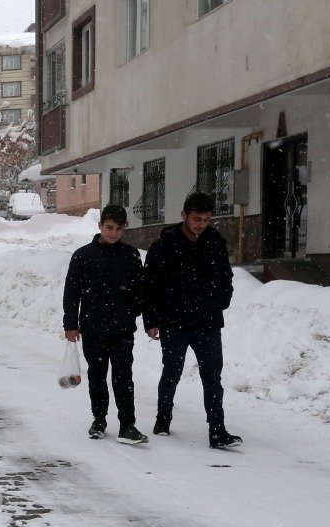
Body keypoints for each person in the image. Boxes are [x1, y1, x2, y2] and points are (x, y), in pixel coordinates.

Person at [144, 192, 241, 449]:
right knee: (172, 372)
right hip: (174, 322)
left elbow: (225, 278)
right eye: (197, 218)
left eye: (206, 220)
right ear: (184, 215)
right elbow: (150, 285)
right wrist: (151, 320)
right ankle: (163, 418)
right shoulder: (164, 245)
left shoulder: (214, 242)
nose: (201, 224)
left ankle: (217, 430)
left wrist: (221, 300)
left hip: (207, 322)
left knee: (212, 377)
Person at [63, 205, 147, 444]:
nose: (113, 233)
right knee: (97, 376)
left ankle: (127, 425)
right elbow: (72, 293)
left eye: (119, 229)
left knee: (123, 377)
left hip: (122, 329)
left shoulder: (131, 255)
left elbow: (140, 290)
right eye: (109, 227)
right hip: (93, 328)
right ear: (100, 226)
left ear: (124, 230)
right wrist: (71, 324)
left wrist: (132, 310)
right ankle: (99, 419)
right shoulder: (82, 256)